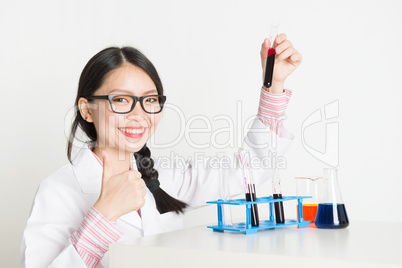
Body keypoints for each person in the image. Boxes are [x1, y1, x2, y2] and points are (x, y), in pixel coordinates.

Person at [20, 34, 301, 267]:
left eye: (150, 100)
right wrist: (103, 215)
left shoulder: (165, 178)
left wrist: (273, 85)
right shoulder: (58, 191)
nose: (139, 114)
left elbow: (250, 166)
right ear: (87, 109)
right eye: (121, 99)